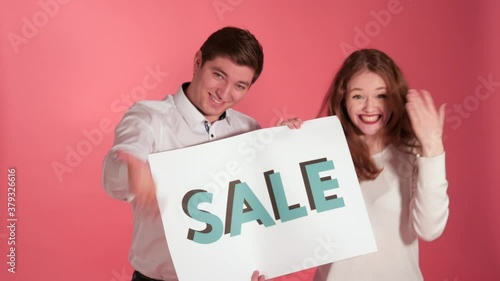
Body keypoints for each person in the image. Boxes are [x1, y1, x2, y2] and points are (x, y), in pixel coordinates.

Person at [102, 26, 293, 281]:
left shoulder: (249, 130)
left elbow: (261, 213)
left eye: (240, 85)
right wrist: (133, 170)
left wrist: (289, 146)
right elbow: (120, 163)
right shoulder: (149, 118)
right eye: (218, 75)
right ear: (198, 62)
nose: (224, 93)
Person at [313, 49, 450, 281]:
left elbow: (429, 229)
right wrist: (287, 142)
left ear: (395, 98)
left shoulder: (414, 152)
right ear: (343, 99)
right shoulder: (322, 151)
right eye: (358, 96)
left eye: (381, 96)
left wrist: (433, 147)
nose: (369, 107)